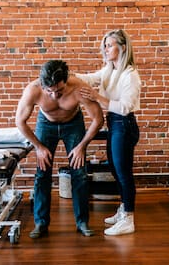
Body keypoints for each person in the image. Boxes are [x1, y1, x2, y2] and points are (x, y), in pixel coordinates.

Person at [15, 60, 104, 239]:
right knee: (42, 173)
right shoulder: (33, 90)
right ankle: (40, 223)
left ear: (67, 81)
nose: (54, 96)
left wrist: (81, 146)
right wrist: (39, 147)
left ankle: (82, 222)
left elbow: (98, 119)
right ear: (42, 84)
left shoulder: (79, 87)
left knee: (79, 172)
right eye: (50, 91)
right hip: (46, 124)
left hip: (73, 124)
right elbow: (20, 122)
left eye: (60, 91)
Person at [77, 29, 141, 236]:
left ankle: (128, 219)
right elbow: (91, 77)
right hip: (115, 124)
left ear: (122, 48)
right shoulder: (109, 70)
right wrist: (69, 75)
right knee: (115, 169)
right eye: (105, 45)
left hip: (124, 124)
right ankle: (123, 209)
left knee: (123, 173)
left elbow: (124, 107)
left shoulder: (130, 75)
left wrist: (97, 97)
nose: (106, 49)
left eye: (110, 45)